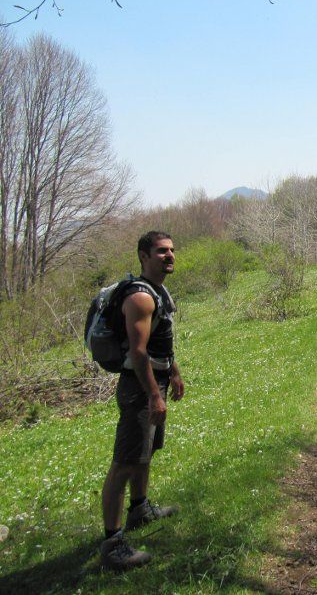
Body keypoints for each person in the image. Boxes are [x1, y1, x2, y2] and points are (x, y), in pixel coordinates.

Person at [99, 231, 186, 571]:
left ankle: (139, 508)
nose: (170, 255)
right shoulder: (140, 298)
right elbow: (138, 354)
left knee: (145, 452)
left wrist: (174, 373)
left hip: (156, 381)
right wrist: (152, 395)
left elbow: (160, 343)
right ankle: (113, 544)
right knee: (124, 462)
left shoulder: (158, 292)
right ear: (143, 255)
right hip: (139, 387)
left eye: (172, 250)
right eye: (161, 251)